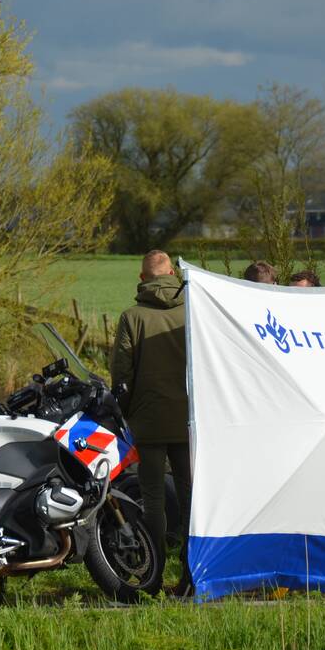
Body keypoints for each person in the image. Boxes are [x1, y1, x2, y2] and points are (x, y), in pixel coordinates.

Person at [110, 249, 193, 595]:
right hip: (190, 421)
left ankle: (154, 575)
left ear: (142, 279)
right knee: (192, 498)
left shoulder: (132, 316)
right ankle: (192, 576)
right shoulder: (194, 310)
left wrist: (126, 412)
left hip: (147, 421)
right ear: (172, 272)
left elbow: (121, 374)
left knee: (153, 499)